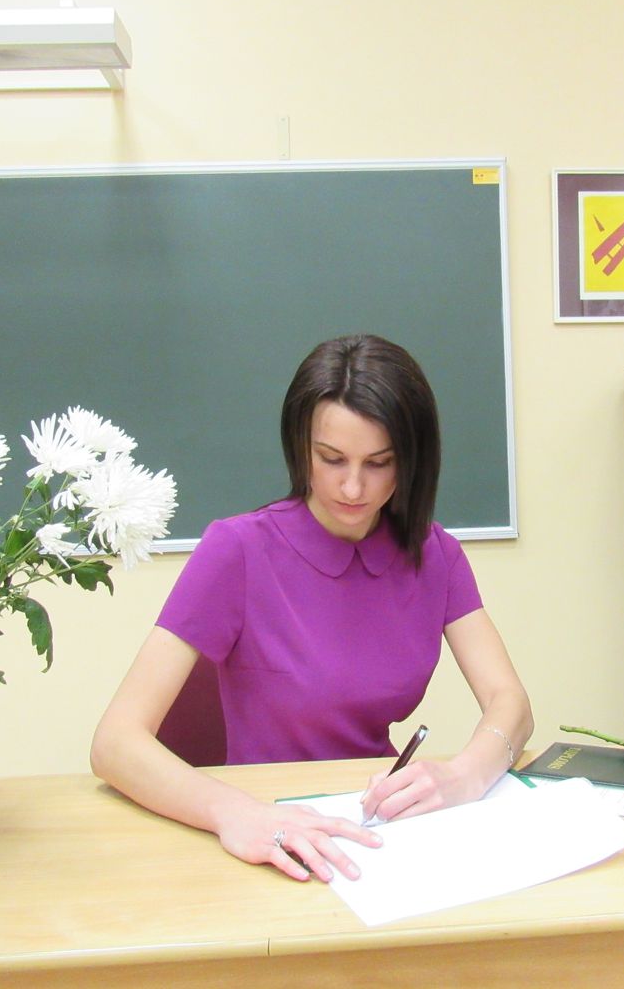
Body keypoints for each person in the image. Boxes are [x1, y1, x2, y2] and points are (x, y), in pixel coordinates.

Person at [91, 334, 533, 883]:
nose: (352, 486)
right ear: (301, 447)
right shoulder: (237, 550)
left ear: (411, 460)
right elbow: (115, 743)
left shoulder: (434, 554)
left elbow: (511, 702)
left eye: (379, 463)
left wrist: (465, 774)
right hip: (269, 827)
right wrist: (235, 813)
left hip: (372, 826)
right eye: (331, 459)